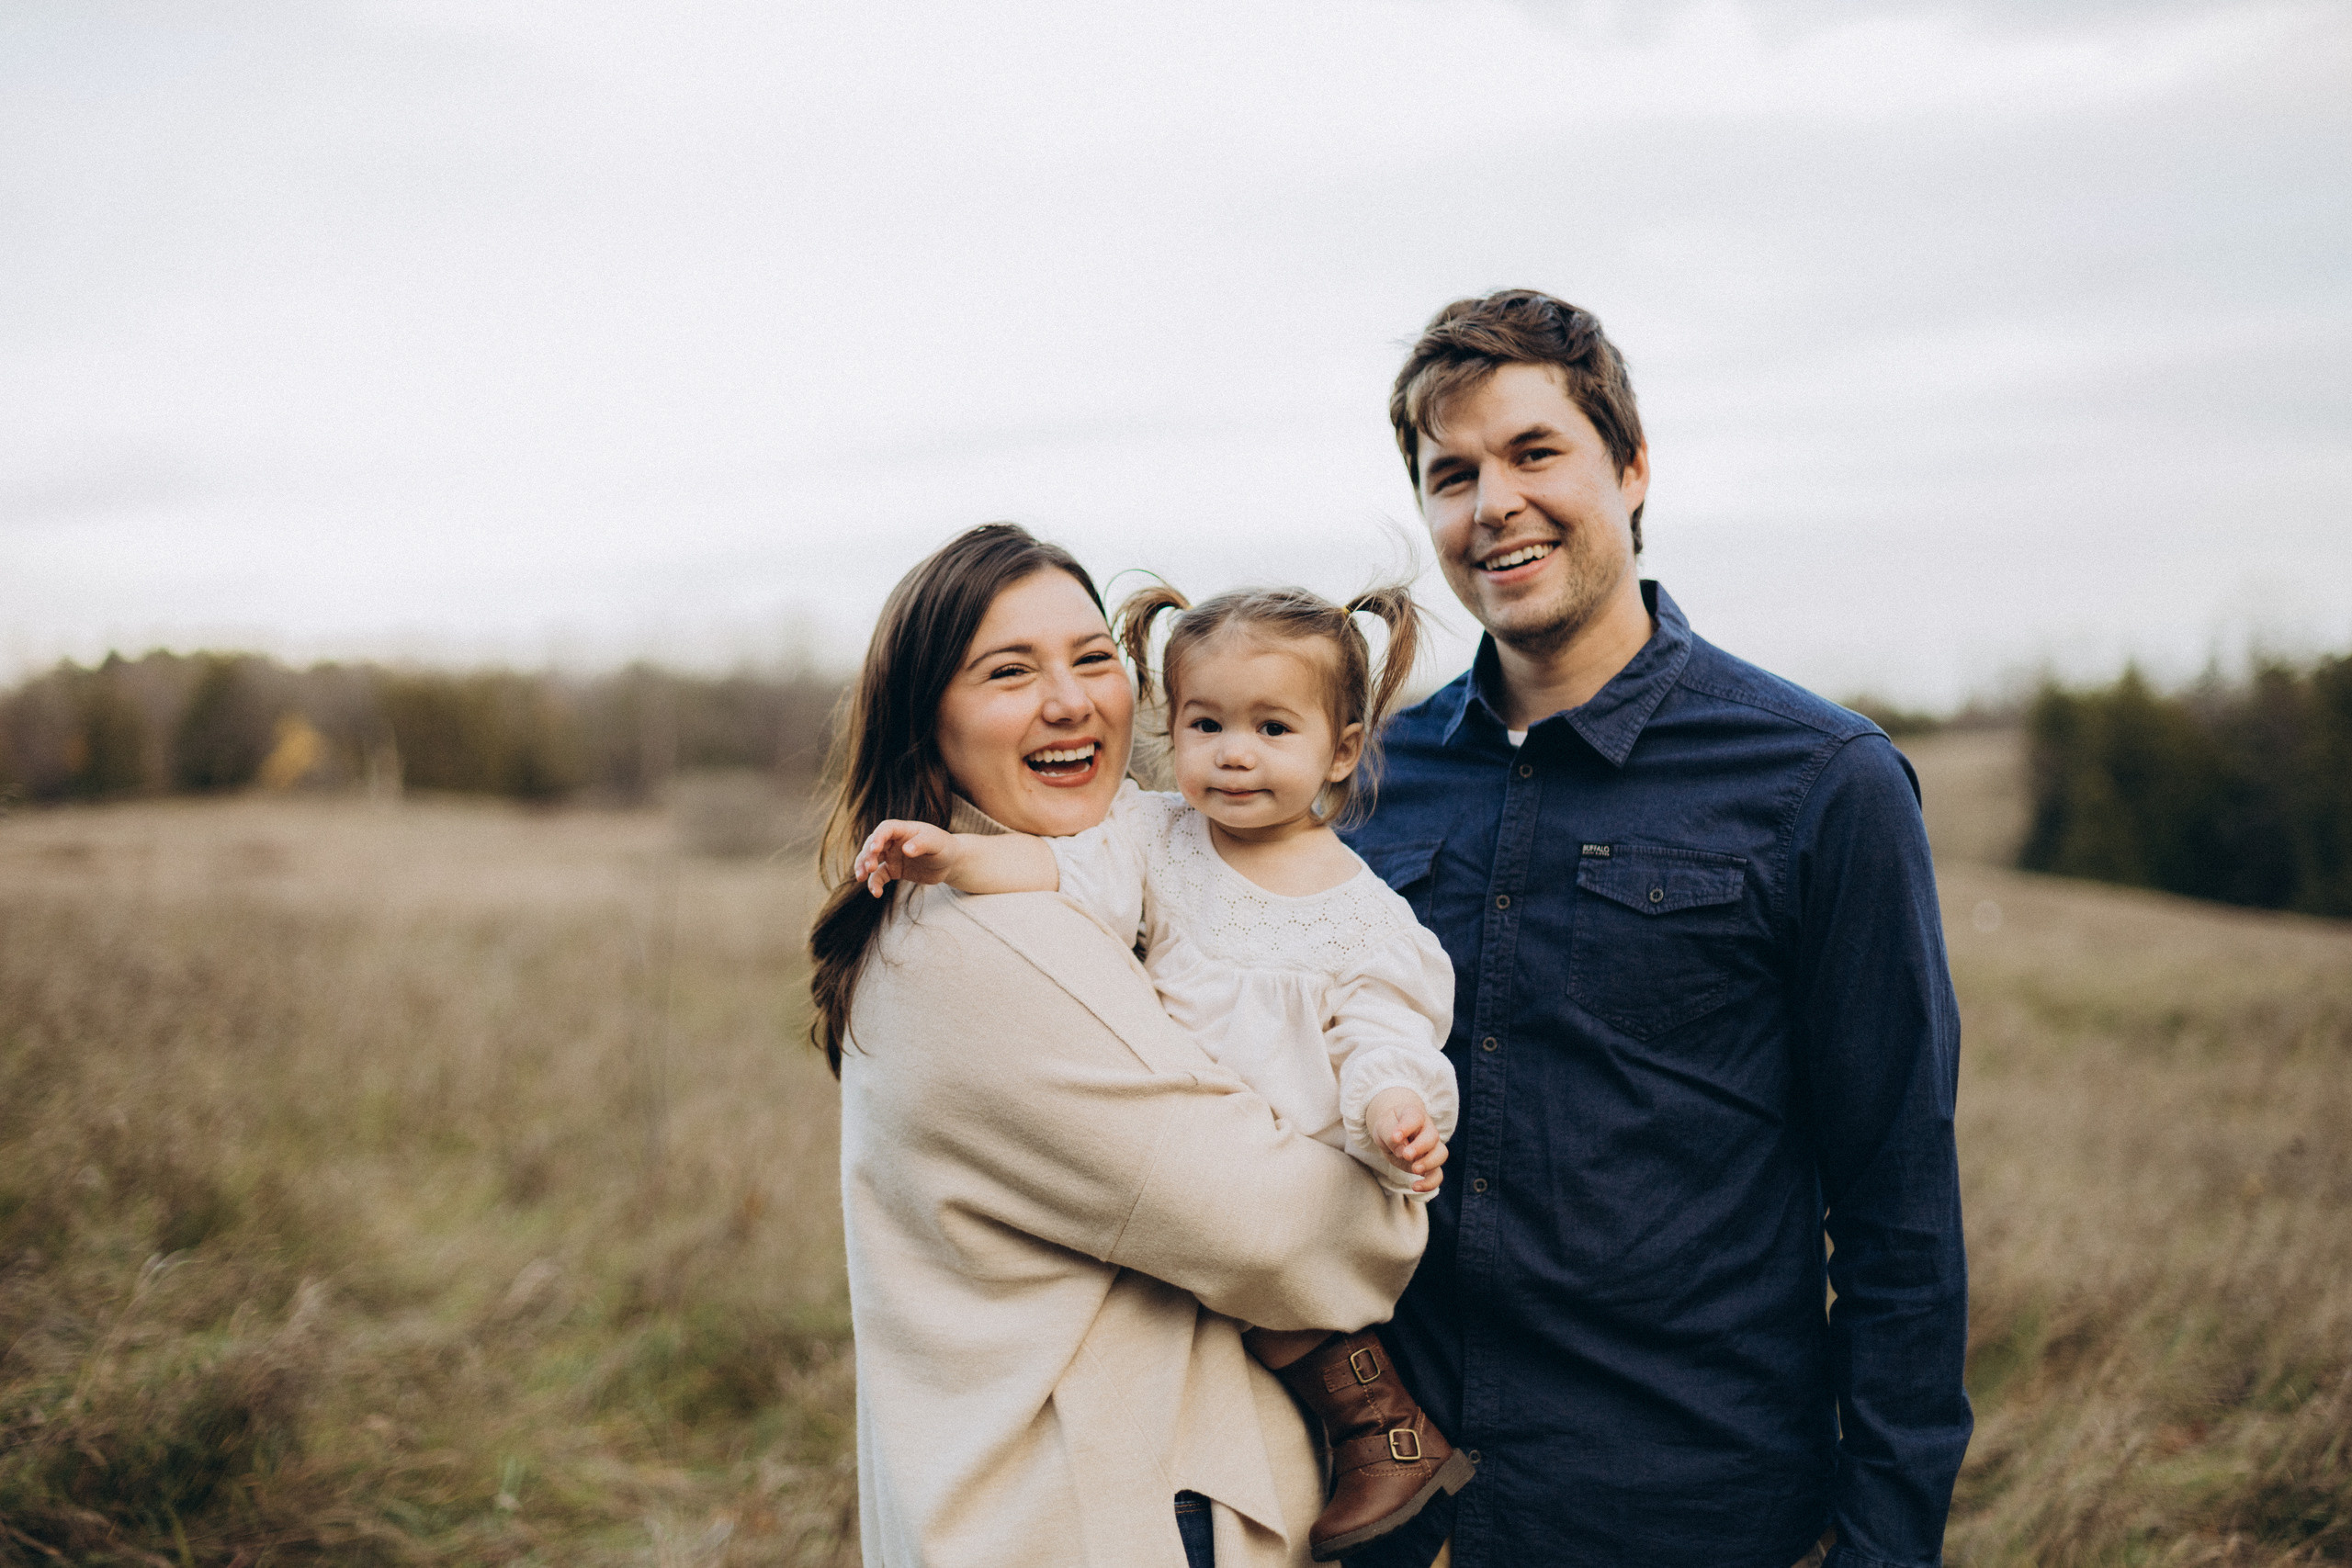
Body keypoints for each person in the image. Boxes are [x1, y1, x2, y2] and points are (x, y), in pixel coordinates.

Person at [1339, 290, 1973, 1568]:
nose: (1492, 504)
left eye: (1533, 452)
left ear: (1630, 468)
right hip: (1401, 1522)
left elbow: (1901, 1213)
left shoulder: (1819, 779)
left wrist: (1887, 1543)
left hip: (1691, 1511)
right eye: (1450, 474)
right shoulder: (1368, 782)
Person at [808, 523, 1429, 1568]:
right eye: (1009, 672)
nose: (1070, 700)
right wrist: (1386, 1209)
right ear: (928, 720)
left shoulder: (1082, 886)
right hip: (1110, 1513)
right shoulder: (993, 935)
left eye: (1093, 657)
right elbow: (1272, 1233)